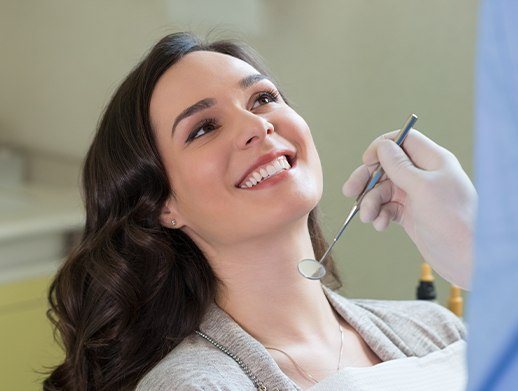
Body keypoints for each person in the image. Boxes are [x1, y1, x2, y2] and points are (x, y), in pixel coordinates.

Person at [43, 32, 476, 391]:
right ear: (163, 206)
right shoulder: (194, 385)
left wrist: (478, 256)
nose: (257, 126)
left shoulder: (438, 329)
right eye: (204, 128)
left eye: (262, 98)